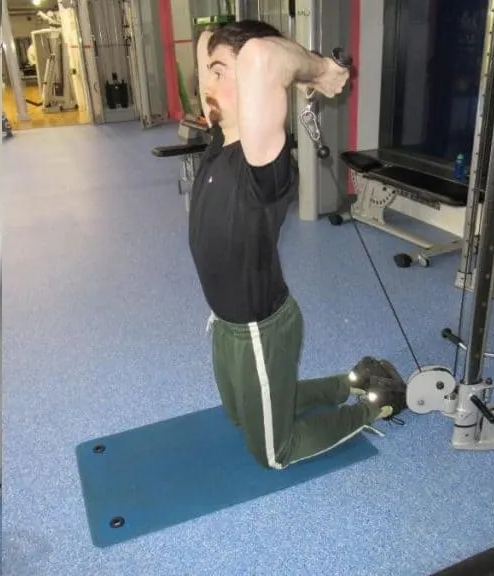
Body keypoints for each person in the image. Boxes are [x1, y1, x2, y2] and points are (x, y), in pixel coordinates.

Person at [188, 20, 409, 470]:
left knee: (273, 452)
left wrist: (317, 71)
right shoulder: (218, 142)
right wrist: (216, 59)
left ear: (256, 86)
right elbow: (206, 45)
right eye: (208, 71)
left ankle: (375, 404)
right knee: (237, 416)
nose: (207, 84)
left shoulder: (262, 166)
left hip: (259, 329)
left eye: (220, 72)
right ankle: (344, 383)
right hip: (227, 325)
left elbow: (261, 59)